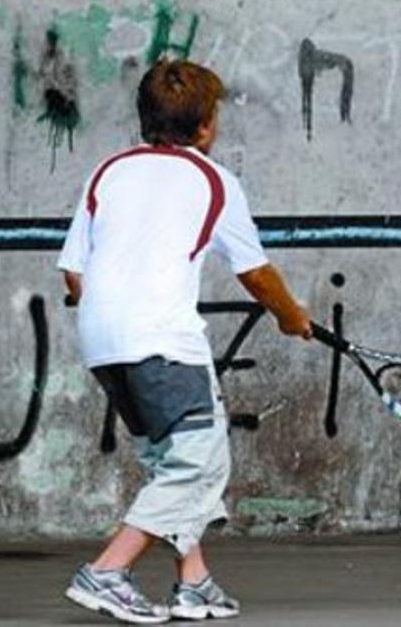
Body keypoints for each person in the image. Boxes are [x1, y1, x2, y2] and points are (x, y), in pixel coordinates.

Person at [57, 59, 312, 624]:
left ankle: (192, 582)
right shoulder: (214, 180)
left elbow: (74, 273)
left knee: (167, 459)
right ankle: (106, 572)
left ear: (146, 120)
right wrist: (291, 317)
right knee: (196, 467)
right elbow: (256, 272)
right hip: (165, 343)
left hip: (102, 342)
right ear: (205, 127)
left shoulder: (109, 171)